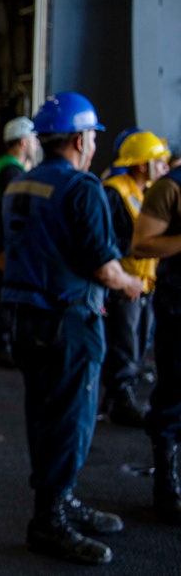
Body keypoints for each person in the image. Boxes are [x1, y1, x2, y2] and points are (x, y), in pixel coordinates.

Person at [1, 92, 142, 565]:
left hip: (22, 318)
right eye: (94, 138)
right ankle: (49, 522)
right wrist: (132, 284)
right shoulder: (83, 189)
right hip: (69, 321)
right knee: (71, 418)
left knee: (43, 415)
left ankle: (59, 502)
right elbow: (105, 268)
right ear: (81, 139)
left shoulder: (18, 185)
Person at [100, 131, 170, 427]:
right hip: (124, 284)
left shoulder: (146, 193)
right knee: (124, 344)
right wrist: (140, 246)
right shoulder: (115, 192)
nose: (165, 166)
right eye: (159, 161)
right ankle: (121, 400)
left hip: (144, 283)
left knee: (136, 344)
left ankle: (116, 398)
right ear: (142, 164)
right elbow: (107, 241)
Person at [131, 155, 181, 526]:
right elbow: (143, 244)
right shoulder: (170, 187)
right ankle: (167, 487)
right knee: (174, 396)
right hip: (178, 305)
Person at [0, 116, 38, 367]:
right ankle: (1, 346)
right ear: (24, 142)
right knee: (8, 295)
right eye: (34, 139)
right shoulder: (12, 170)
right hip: (6, 241)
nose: (37, 144)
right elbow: (14, 208)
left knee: (2, 293)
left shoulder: (1, 165)